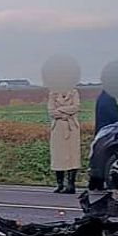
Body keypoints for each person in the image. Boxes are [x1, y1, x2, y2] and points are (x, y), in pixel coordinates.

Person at [42, 54, 83, 194]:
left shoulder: (74, 92)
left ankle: (71, 184)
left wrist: (62, 111)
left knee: (72, 156)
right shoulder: (52, 94)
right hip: (58, 129)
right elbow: (51, 111)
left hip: (72, 129)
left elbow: (76, 107)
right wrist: (65, 112)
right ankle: (59, 184)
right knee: (58, 156)